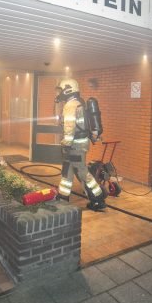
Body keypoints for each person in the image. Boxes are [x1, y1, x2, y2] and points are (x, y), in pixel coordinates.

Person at [55, 78, 106, 211]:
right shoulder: (78, 103)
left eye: (61, 90)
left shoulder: (70, 106)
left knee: (82, 172)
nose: (59, 93)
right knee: (67, 171)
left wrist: (66, 143)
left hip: (75, 146)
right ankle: (63, 197)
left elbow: (69, 127)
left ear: (68, 90)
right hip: (77, 144)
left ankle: (98, 198)